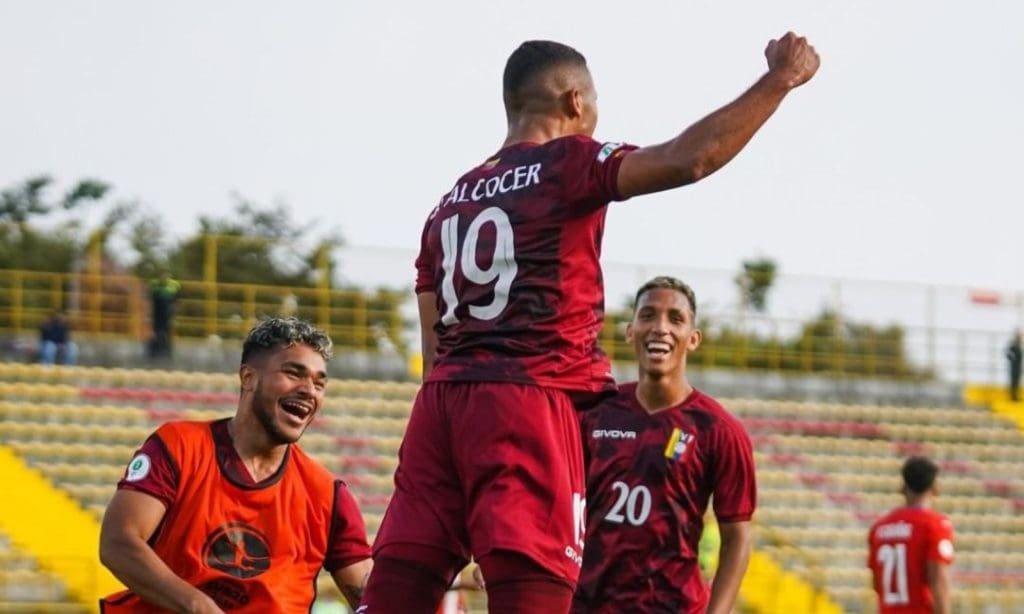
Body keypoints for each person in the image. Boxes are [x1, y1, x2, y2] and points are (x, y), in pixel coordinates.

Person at [361, 33, 818, 613]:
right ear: (576, 102)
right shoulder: (567, 163)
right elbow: (688, 159)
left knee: (400, 586)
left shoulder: (448, 202)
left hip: (440, 407)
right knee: (533, 594)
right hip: (527, 400)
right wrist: (780, 79)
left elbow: (434, 346)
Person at [99, 317, 372, 613]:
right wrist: (198, 606)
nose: (309, 390)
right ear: (248, 378)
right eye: (294, 373)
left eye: (319, 383)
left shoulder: (327, 493)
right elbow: (118, 541)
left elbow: (374, 595)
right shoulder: (179, 446)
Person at [571, 277, 756, 613]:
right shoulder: (594, 412)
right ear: (630, 331)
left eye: (675, 319)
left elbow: (738, 536)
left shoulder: (719, 430)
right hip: (588, 605)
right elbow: (556, 501)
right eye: (648, 315)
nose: (660, 327)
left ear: (693, 338)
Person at [867, 456, 955, 614]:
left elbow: (877, 584)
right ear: (935, 487)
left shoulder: (879, 528)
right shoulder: (935, 525)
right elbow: (939, 582)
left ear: (902, 487)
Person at [149, 272, 181, 359]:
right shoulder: (155, 286)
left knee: (167, 332)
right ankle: (155, 351)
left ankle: (167, 351)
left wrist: (174, 310)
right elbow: (152, 300)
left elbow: (176, 300)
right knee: (157, 331)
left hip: (167, 314)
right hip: (158, 314)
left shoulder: (173, 286)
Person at [1006, 329, 1022, 401]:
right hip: (1014, 367)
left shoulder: (1019, 345)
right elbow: (1007, 354)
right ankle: (1013, 397)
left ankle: (1015, 396)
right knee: (1013, 382)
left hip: (1018, 367)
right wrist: (1012, 359)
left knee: (1017, 382)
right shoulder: (1013, 345)